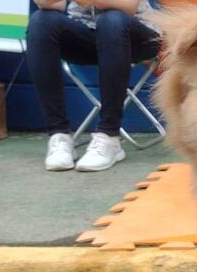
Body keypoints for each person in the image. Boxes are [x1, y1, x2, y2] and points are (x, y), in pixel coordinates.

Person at [26, 0, 160, 172]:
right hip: (85, 32)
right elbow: (56, 6)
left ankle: (109, 136)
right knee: (41, 21)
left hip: (136, 33)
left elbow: (128, 6)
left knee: (112, 20)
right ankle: (59, 135)